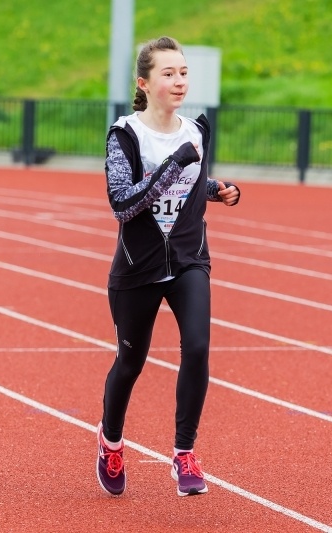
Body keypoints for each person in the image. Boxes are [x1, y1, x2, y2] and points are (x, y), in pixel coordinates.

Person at [96, 36, 240, 497]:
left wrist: (217, 188)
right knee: (131, 362)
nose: (179, 81)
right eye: (168, 73)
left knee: (197, 348)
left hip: (188, 260)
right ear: (145, 82)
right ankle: (111, 442)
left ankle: (183, 454)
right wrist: (175, 163)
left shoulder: (196, 130)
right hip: (138, 267)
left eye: (183, 72)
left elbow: (192, 185)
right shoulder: (125, 135)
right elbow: (123, 203)